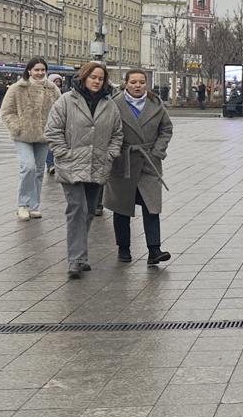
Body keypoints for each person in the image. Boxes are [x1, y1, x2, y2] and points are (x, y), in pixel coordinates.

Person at [44, 62, 123, 278]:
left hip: (97, 164)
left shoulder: (110, 104)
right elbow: (52, 129)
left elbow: (117, 133)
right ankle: (75, 259)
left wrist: (110, 154)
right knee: (76, 207)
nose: (97, 81)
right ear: (84, 77)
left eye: (101, 78)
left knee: (88, 211)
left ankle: (81, 256)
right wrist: (63, 153)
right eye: (93, 77)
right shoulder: (66, 100)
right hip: (71, 164)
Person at [107, 69, 174, 266]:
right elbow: (106, 129)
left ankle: (155, 250)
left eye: (142, 82)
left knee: (151, 206)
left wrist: (157, 151)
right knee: (121, 207)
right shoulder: (114, 104)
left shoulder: (155, 103)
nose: (138, 86)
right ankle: (123, 248)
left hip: (148, 160)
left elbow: (166, 129)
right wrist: (114, 152)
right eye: (134, 82)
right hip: (123, 160)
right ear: (125, 83)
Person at [0, 56, 61, 221]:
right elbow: (6, 111)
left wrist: (54, 129)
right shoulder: (17, 88)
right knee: (28, 168)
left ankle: (34, 206)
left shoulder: (52, 89)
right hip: (23, 135)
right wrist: (16, 126)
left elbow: (60, 112)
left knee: (39, 170)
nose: (40, 73)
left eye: (43, 70)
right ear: (29, 71)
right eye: (37, 70)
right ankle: (23, 205)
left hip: (44, 136)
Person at [46, 74, 64, 176]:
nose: (57, 83)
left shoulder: (61, 93)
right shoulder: (45, 92)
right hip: (46, 122)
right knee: (49, 144)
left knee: (53, 144)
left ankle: (52, 164)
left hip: (57, 121)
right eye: (55, 81)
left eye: (59, 81)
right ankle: (50, 165)